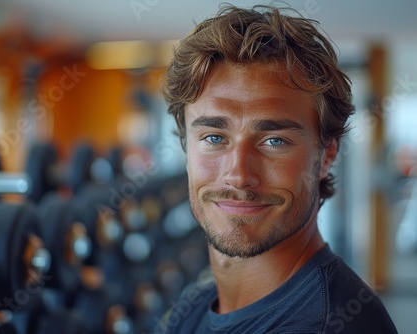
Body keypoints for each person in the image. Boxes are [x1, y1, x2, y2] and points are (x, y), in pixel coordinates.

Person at [160, 4, 397, 334]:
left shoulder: (334, 325)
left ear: (326, 155)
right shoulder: (193, 308)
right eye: (214, 137)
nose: (239, 176)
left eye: (274, 141)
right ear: (186, 147)